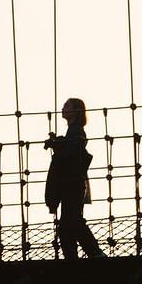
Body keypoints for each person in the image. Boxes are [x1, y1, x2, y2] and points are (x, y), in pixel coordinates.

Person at [44, 97, 104, 262]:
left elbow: (70, 152)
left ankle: (89, 254)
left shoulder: (76, 132)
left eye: (67, 105)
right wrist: (58, 142)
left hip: (71, 184)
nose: (63, 108)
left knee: (71, 222)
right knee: (69, 223)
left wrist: (56, 144)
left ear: (76, 111)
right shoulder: (74, 131)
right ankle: (83, 255)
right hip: (71, 184)